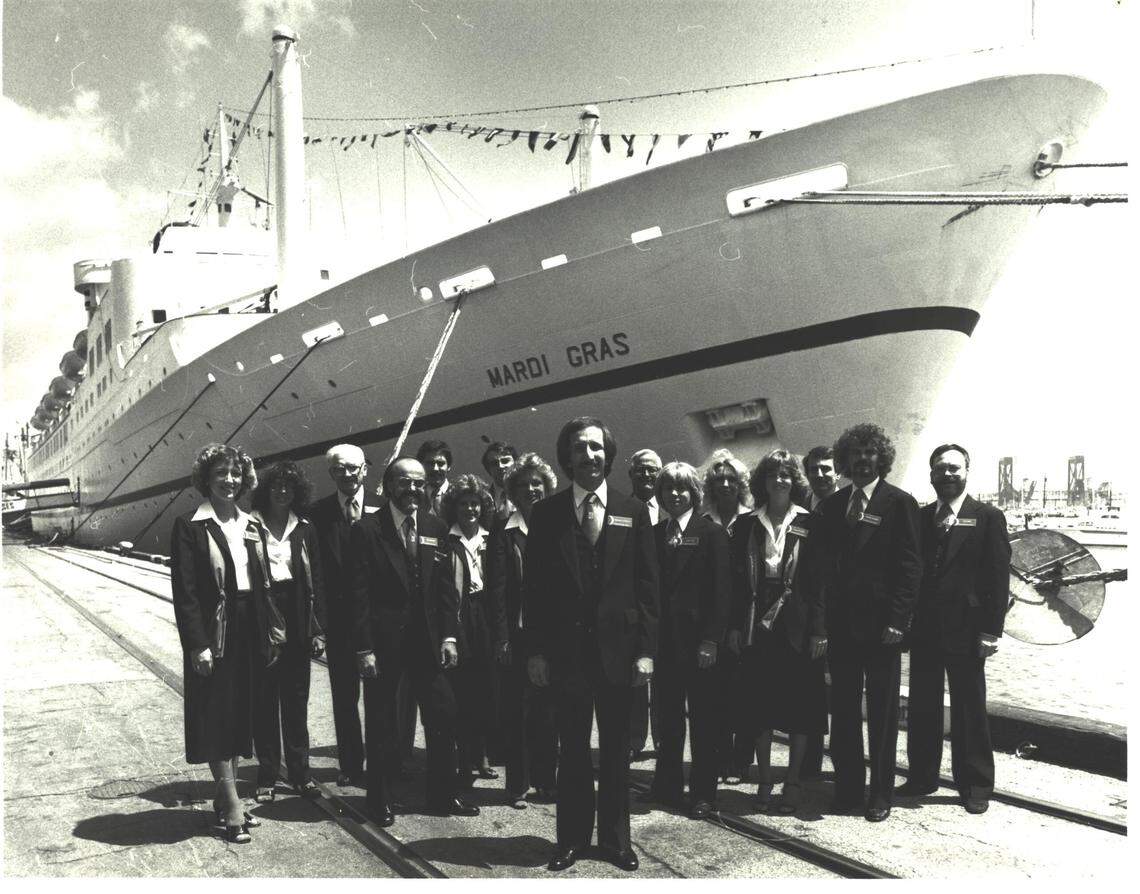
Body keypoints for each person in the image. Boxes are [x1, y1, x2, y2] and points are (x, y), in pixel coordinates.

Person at [524, 417, 659, 872]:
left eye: (598, 448)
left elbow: (648, 588)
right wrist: (536, 652)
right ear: (567, 458)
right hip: (567, 654)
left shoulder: (632, 511)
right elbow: (535, 592)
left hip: (620, 653)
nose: (590, 456)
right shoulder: (546, 515)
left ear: (609, 454)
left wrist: (645, 651)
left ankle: (617, 841)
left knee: (617, 748)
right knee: (574, 749)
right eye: (581, 448)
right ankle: (573, 840)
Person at [349, 456, 478, 826]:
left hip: (429, 642)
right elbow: (357, 594)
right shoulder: (367, 529)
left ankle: (442, 795)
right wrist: (364, 648)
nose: (413, 490)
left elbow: (445, 591)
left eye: (420, 483)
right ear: (389, 486)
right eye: (405, 483)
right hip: (384, 645)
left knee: (444, 714)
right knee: (382, 722)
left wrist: (450, 636)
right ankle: (379, 800)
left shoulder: (436, 527)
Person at [809, 423, 921, 822]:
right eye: (854, 454)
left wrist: (899, 621)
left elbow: (910, 568)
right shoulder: (833, 507)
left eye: (869, 453)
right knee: (842, 714)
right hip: (841, 630)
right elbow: (820, 573)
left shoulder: (899, 503)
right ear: (845, 460)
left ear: (882, 459)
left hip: (881, 630)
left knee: (883, 715)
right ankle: (848, 789)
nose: (861, 460)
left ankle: (881, 794)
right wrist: (820, 626)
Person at [171, 443, 278, 844]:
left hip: (250, 625)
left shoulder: (251, 523)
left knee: (238, 714)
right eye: (221, 474)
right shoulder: (190, 526)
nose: (229, 481)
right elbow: (186, 593)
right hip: (216, 631)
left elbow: (263, 583)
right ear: (206, 479)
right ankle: (233, 805)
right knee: (217, 713)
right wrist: (196, 644)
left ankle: (225, 794)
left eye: (235, 474)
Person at [898, 444, 1010, 814]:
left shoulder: (988, 517)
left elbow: (998, 577)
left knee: (969, 708)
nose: (947, 475)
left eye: (954, 468)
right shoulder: (921, 516)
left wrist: (991, 631)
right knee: (922, 706)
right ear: (930, 475)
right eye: (940, 469)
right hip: (926, 629)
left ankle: (975, 783)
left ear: (967, 471)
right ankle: (922, 776)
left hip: (967, 628)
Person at [728, 450, 827, 815]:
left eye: (786, 475)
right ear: (763, 482)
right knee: (760, 707)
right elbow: (737, 584)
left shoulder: (811, 523)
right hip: (757, 620)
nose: (780, 481)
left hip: (798, 622)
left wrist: (819, 631)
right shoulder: (745, 526)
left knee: (801, 706)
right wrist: (737, 627)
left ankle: (794, 781)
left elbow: (818, 583)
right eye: (773, 475)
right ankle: (766, 778)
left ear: (794, 481)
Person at [645, 461, 730, 819]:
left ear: (694, 493)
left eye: (682, 489)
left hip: (699, 647)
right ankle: (666, 785)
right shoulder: (655, 533)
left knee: (704, 721)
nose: (675, 495)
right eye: (668, 489)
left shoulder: (711, 534)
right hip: (665, 645)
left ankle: (703, 793)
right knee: (667, 720)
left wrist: (711, 640)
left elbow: (722, 593)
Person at [249, 461, 327, 802]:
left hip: (297, 611)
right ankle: (267, 775)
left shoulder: (305, 528)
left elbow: (319, 581)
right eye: (276, 486)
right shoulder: (251, 526)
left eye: (288, 487)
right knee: (265, 702)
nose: (282, 492)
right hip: (263, 613)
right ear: (266, 490)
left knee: (296, 701)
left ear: (296, 493)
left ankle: (300, 773)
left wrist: (318, 629)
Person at [487, 452, 560, 808]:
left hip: (552, 636)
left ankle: (547, 781)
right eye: (524, 485)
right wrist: (500, 636)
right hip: (516, 636)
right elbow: (496, 589)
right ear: (512, 492)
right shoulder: (504, 531)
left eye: (537, 483)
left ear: (547, 488)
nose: (531, 489)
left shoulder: (560, 525)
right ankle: (517, 785)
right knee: (515, 713)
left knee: (548, 714)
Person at [310, 444, 370, 785]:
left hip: (377, 620)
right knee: (345, 699)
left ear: (365, 469)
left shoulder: (380, 508)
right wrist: (319, 625)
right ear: (331, 473)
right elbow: (316, 572)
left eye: (353, 468)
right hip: (340, 623)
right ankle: (350, 764)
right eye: (339, 469)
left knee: (381, 699)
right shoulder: (318, 514)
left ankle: (383, 760)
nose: (347, 475)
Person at [699, 448, 755, 785]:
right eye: (718, 479)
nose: (724, 484)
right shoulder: (705, 523)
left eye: (731, 479)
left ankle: (741, 759)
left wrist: (737, 626)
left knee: (744, 695)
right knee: (715, 695)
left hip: (745, 620)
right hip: (711, 622)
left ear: (740, 484)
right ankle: (719, 758)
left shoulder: (751, 521)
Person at [442, 473, 500, 786]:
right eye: (463, 504)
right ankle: (464, 759)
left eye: (475, 503)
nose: (470, 509)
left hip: (486, 618)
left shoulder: (492, 539)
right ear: (455, 507)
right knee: (462, 692)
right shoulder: (446, 540)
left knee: (486, 690)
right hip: (461, 617)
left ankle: (483, 755)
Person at [800, 445, 839, 778]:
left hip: (841, 616)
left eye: (827, 469)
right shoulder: (801, 509)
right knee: (809, 691)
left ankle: (840, 764)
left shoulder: (847, 508)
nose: (821, 475)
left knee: (841, 694)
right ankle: (808, 763)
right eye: (814, 469)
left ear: (837, 472)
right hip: (806, 613)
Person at [626, 447, 662, 761]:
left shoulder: (671, 509)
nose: (647, 476)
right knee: (635, 677)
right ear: (631, 475)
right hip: (636, 606)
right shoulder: (622, 509)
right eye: (641, 470)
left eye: (652, 470)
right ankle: (634, 740)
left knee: (664, 679)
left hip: (667, 606)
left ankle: (663, 741)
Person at [482, 441, 519, 521]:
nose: (500, 466)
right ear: (488, 470)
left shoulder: (529, 492)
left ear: (516, 464)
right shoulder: (483, 500)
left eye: (505, 461)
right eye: (494, 463)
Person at [417, 439, 453, 517]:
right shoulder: (416, 496)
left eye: (440, 463)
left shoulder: (458, 494)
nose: (435, 469)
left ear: (449, 467)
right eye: (430, 463)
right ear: (421, 466)